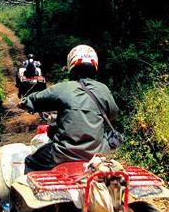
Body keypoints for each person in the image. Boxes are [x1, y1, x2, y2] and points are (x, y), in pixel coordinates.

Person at [19, 45, 119, 173]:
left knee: (30, 161)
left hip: (62, 154)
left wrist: (23, 102)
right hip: (97, 154)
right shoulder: (103, 89)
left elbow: (36, 99)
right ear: (95, 66)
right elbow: (114, 115)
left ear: (71, 64)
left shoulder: (63, 88)